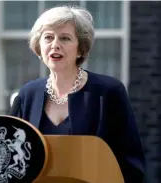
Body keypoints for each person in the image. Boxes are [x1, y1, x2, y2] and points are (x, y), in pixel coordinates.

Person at [10, 5, 144, 183]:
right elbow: (11, 160)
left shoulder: (109, 92)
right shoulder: (27, 94)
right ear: (38, 45)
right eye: (48, 37)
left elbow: (131, 163)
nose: (55, 45)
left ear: (80, 49)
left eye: (65, 38)